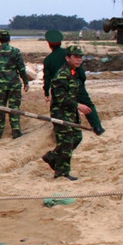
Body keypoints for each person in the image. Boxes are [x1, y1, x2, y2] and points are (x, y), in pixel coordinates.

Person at [42, 46, 94, 180]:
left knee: (76, 138)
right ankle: (62, 172)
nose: (79, 60)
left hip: (71, 112)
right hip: (61, 113)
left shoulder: (73, 73)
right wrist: (78, 106)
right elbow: (60, 98)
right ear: (67, 58)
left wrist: (77, 108)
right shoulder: (62, 75)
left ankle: (53, 156)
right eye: (76, 57)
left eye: (80, 57)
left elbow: (72, 94)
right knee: (66, 142)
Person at [43, 29, 104, 135]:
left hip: (59, 86)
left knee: (59, 107)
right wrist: (81, 83)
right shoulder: (70, 53)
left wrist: (46, 92)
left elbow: (47, 78)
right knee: (87, 104)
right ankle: (97, 127)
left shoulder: (48, 60)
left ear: (49, 44)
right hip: (76, 83)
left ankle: (59, 129)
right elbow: (80, 71)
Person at [0, 30, 29, 139]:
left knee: (0, 107)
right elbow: (22, 69)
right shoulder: (16, 52)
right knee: (14, 107)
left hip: (1, 84)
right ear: (9, 39)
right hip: (14, 83)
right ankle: (16, 130)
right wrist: (25, 81)